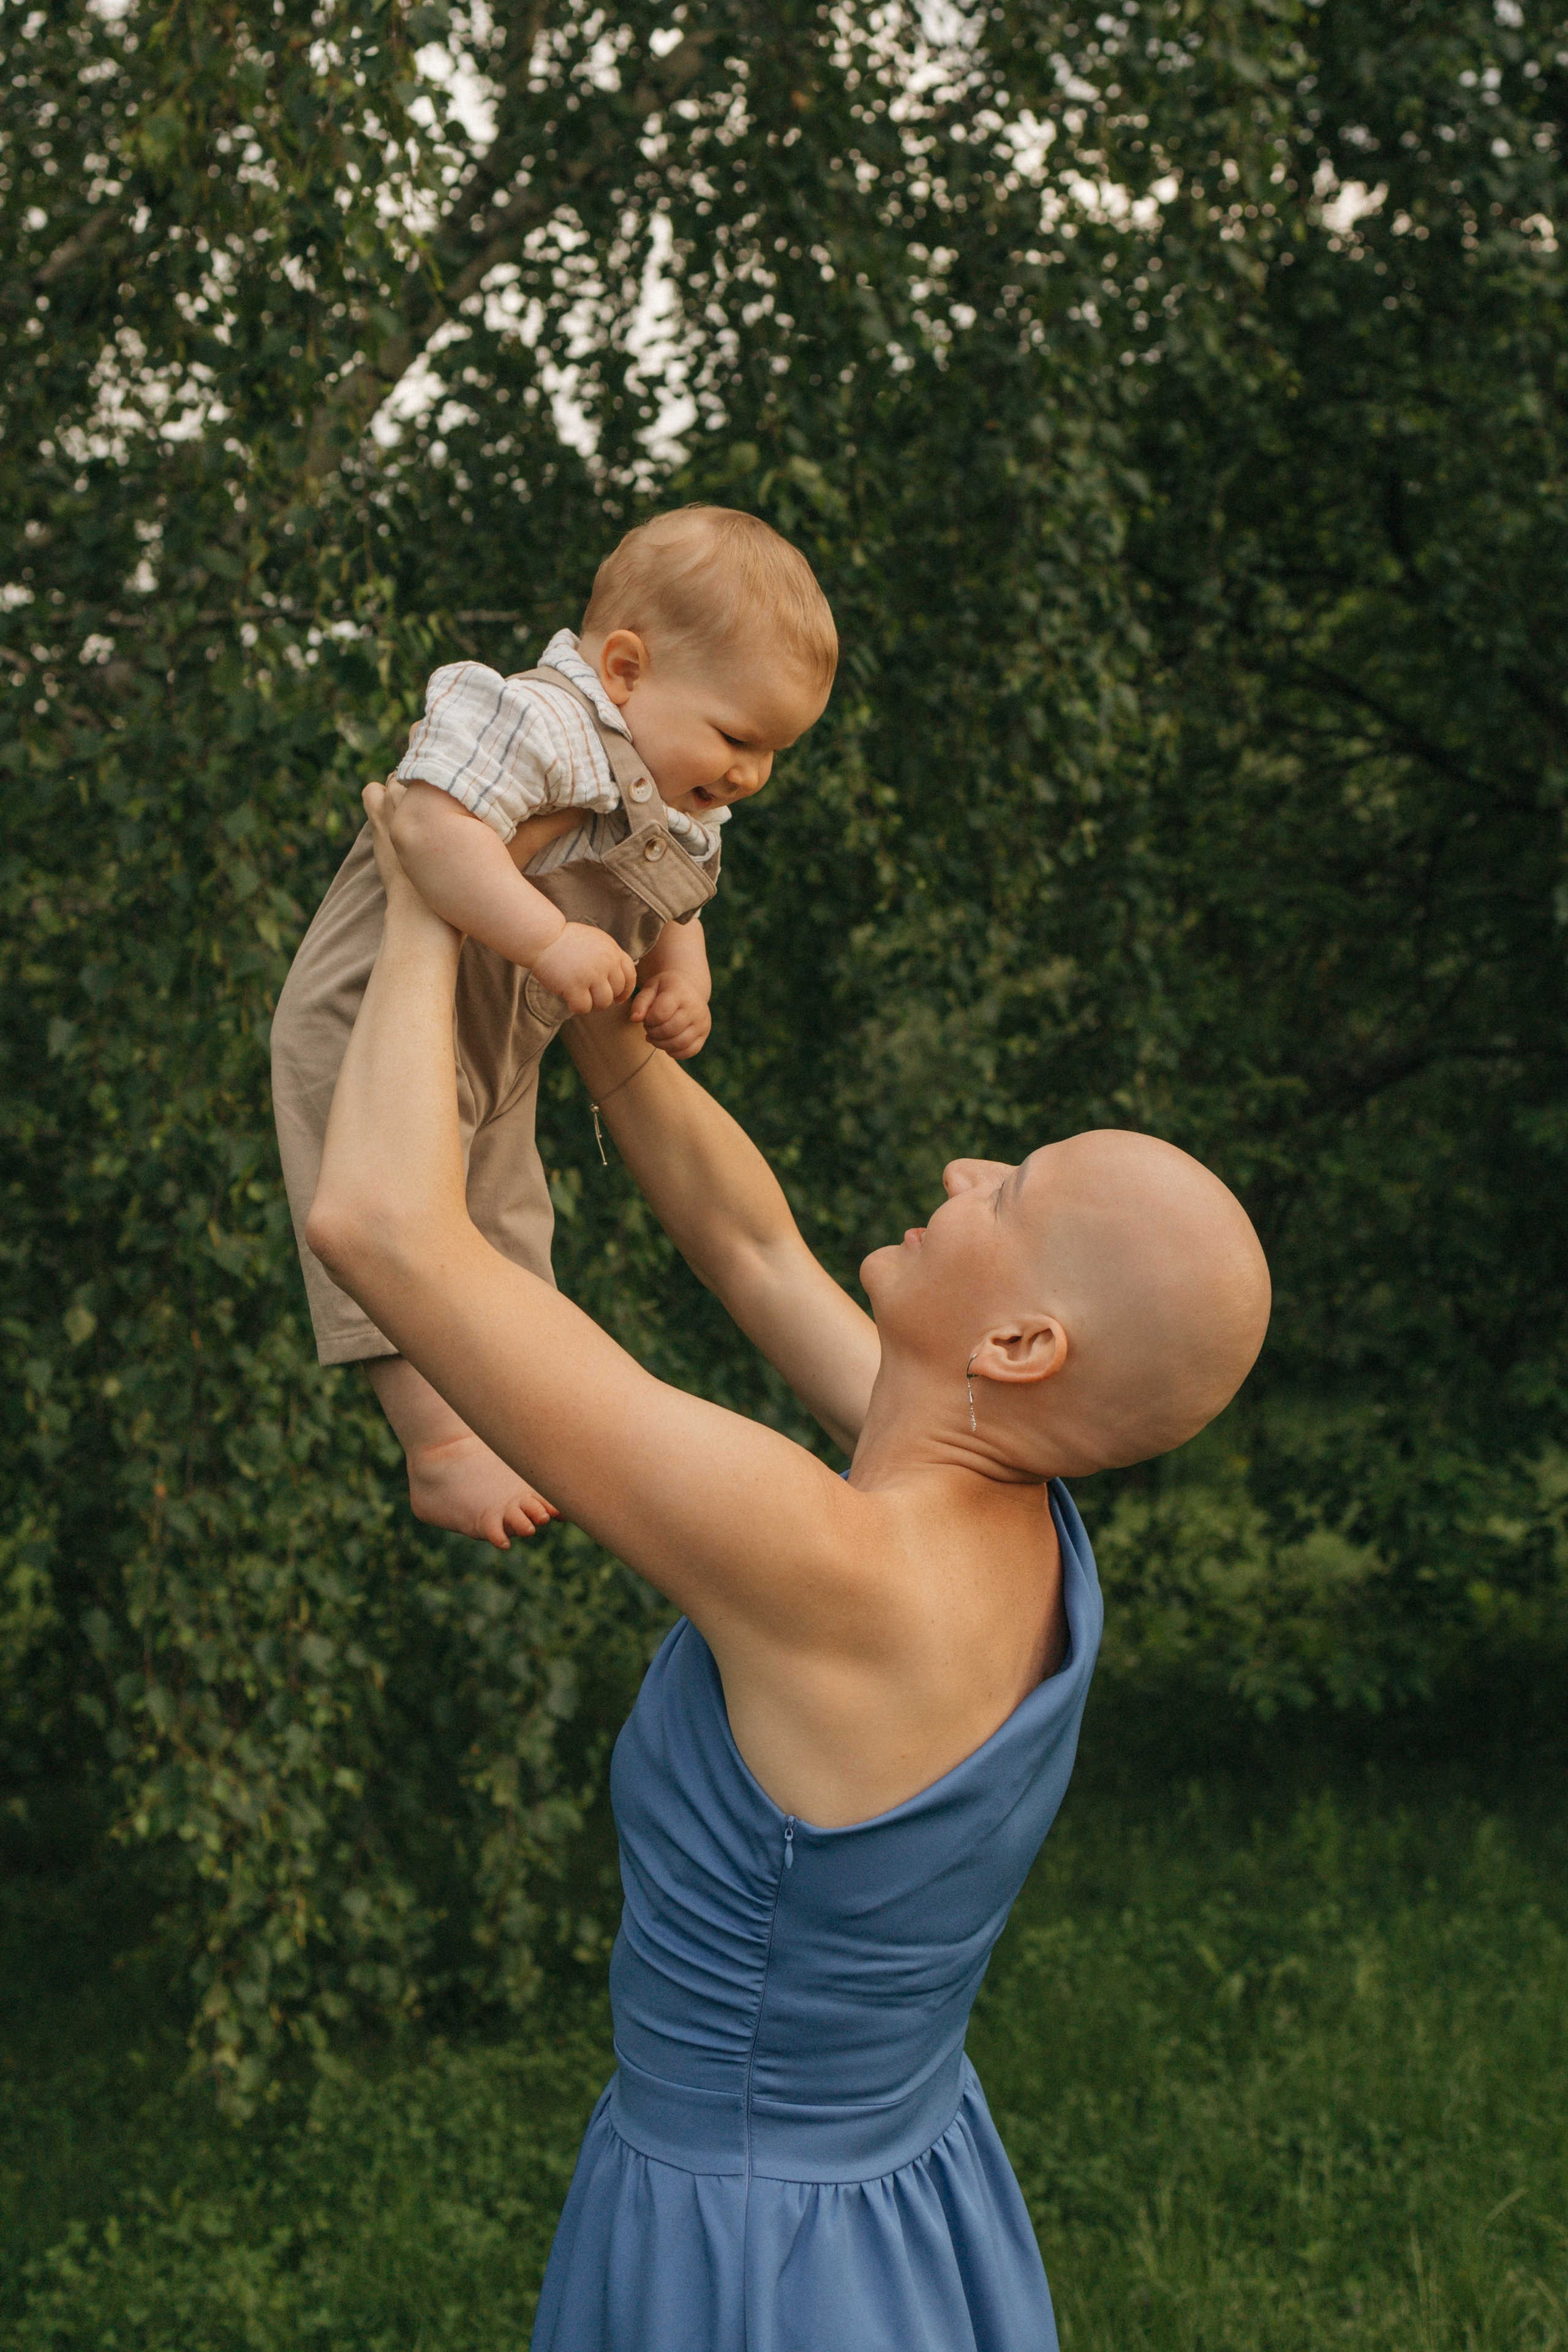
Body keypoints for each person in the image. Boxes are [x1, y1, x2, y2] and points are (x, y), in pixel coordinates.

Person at [306, 783, 1272, 2352]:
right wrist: (594, 992)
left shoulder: (834, 1568)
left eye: (1010, 1191)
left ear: (1023, 1342)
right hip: (900, 2190)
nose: (965, 1170)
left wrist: (438, 874)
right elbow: (750, 1246)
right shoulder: (1009, 1517)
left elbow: (383, 1229)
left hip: (746, 2247)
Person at [271, 506, 835, 1548]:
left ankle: (513, 1412)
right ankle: (439, 1445)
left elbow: (678, 893)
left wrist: (683, 971)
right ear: (624, 668)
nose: (752, 775)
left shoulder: (681, 792)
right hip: (374, 1015)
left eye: (775, 753)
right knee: (391, 1219)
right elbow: (430, 830)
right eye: (739, 737)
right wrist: (546, 938)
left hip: (498, 1031)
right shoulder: (533, 719)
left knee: (506, 1224)